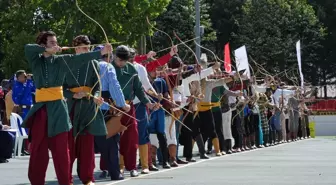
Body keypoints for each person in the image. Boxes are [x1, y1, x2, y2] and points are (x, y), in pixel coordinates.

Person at [22, 30, 112, 185]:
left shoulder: (61, 60)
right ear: (43, 44)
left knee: (62, 150)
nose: (56, 45)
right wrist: (46, 50)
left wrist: (101, 52)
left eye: (56, 42)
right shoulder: (36, 60)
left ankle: (66, 182)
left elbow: (81, 57)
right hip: (41, 109)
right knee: (38, 150)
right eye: (52, 42)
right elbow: (28, 47)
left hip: (59, 109)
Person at [62, 35, 109, 185]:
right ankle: (66, 178)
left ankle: (87, 178)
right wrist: (73, 94)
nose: (87, 50)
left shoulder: (94, 63)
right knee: (69, 145)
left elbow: (97, 87)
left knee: (87, 145)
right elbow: (60, 88)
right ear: (76, 48)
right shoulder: (66, 62)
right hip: (71, 107)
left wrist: (96, 97)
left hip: (88, 108)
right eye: (83, 48)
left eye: (88, 48)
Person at [112, 45, 158, 177]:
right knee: (114, 138)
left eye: (125, 60)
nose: (122, 63)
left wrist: (148, 102)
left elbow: (139, 88)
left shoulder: (132, 68)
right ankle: (117, 167)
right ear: (115, 57)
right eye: (120, 60)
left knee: (132, 137)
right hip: (112, 107)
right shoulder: (108, 68)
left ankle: (132, 167)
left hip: (129, 106)